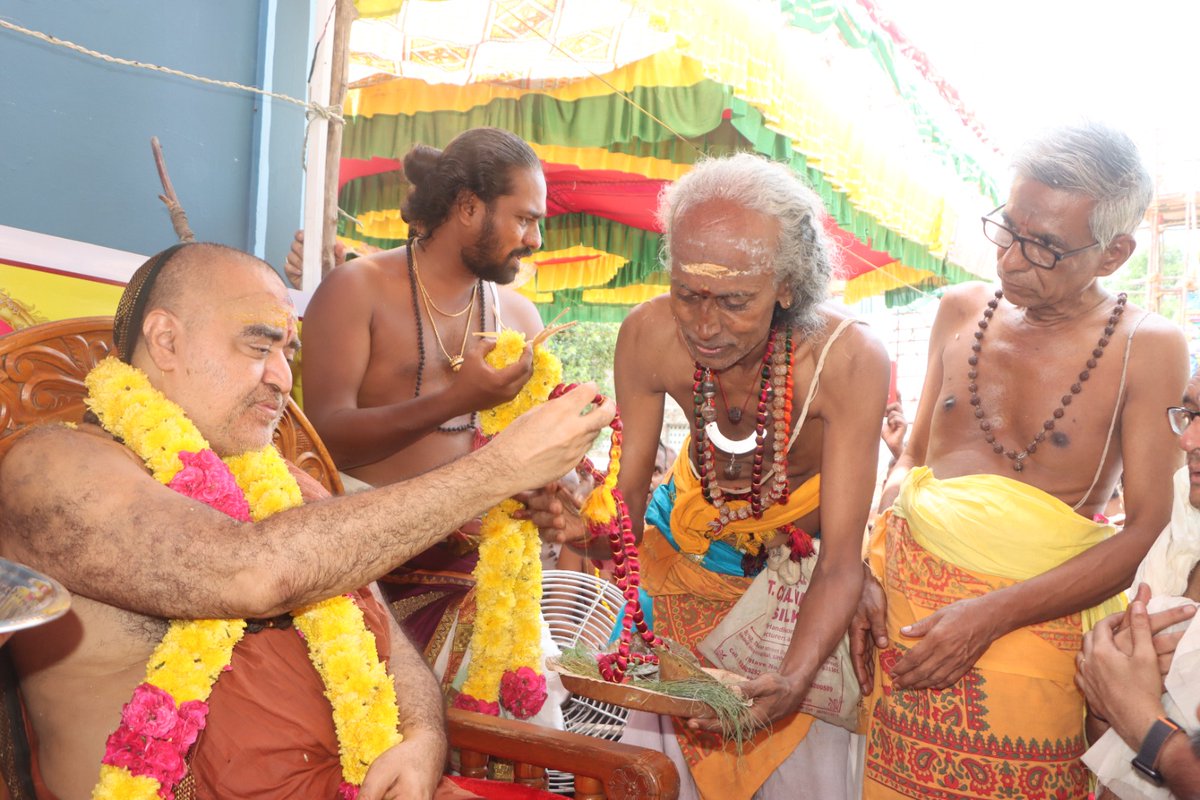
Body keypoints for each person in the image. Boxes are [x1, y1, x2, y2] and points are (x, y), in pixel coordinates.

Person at [0, 242, 611, 799]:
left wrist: (424, 739)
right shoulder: (53, 466)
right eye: (258, 346)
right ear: (166, 341)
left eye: (287, 353)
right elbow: (248, 571)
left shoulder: (286, 484)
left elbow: (394, 650)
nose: (282, 378)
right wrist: (499, 468)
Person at [532, 152, 889, 799]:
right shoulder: (648, 334)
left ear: (788, 286)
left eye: (733, 302)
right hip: (680, 594)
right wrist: (582, 527)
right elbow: (629, 503)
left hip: (797, 607)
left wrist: (795, 677)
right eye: (687, 294)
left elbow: (841, 562)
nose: (704, 325)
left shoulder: (848, 360)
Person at [851, 122, 1188, 799]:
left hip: (1034, 636)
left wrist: (992, 616)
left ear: (1113, 253)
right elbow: (911, 457)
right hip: (904, 627)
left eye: (1045, 248)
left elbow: (1144, 527)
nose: (1011, 260)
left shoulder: (1147, 347)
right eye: (1008, 230)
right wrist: (864, 566)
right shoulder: (958, 309)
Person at [298, 128, 553, 695]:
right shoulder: (355, 289)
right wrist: (460, 398)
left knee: (527, 690)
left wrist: (552, 485)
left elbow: (525, 454)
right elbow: (327, 440)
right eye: (524, 219)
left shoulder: (521, 317)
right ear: (467, 207)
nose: (535, 239)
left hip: (481, 570)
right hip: (366, 568)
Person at [1077, 368, 1200, 799]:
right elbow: (1112, 758)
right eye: (1190, 414)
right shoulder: (1181, 539)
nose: (1187, 441)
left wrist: (1143, 723)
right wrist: (1106, 696)